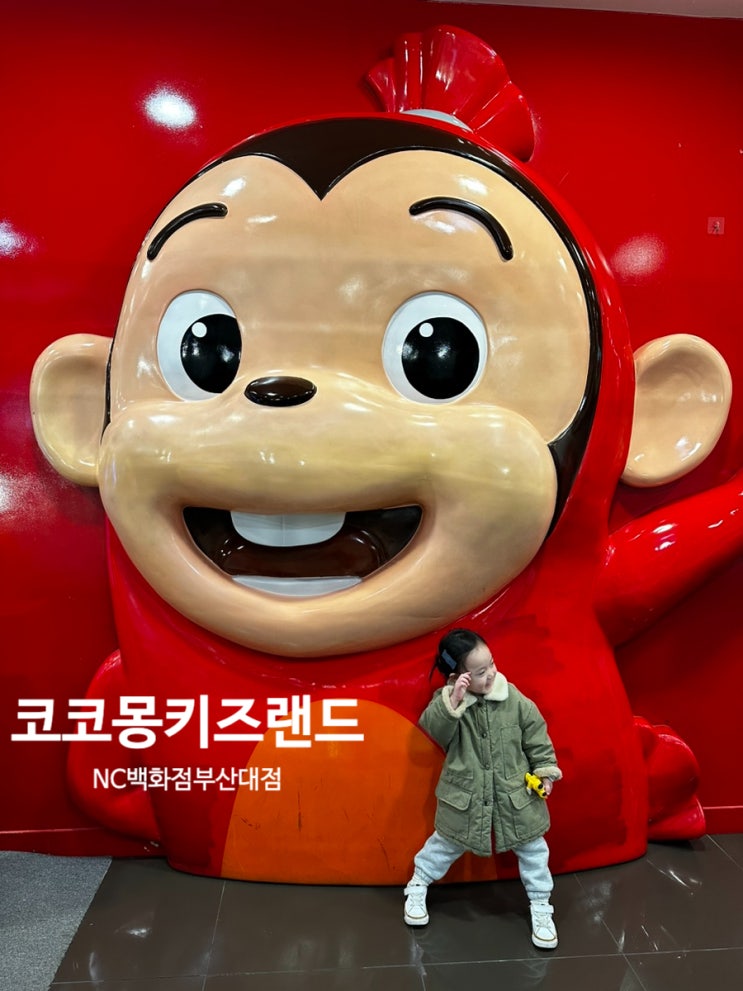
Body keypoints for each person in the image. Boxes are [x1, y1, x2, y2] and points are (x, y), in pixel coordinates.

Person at [404, 627, 562, 949]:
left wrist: (545, 771)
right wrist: (454, 700)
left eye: (491, 664)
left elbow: (536, 736)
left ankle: (541, 904)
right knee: (444, 844)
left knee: (534, 850)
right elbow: (434, 730)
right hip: (465, 795)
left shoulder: (513, 698)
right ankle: (418, 885)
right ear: (459, 677)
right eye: (479, 672)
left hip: (515, 795)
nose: (490, 674)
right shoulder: (449, 704)